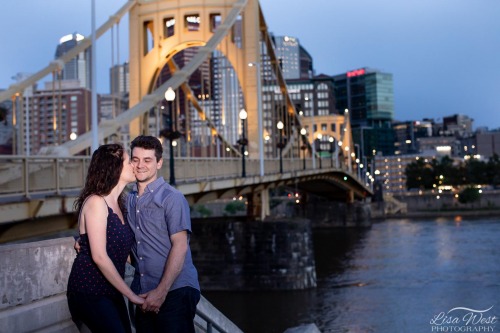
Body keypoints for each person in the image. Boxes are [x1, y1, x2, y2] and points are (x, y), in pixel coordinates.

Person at [67, 144, 144, 333]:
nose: (134, 165)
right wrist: (132, 296)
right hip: (89, 290)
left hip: (110, 291)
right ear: (114, 167)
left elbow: (119, 248)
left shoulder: (120, 204)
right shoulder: (96, 202)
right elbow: (99, 256)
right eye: (129, 161)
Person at [128, 135, 200, 333]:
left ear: (159, 163)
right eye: (135, 159)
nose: (140, 165)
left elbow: (180, 245)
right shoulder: (128, 200)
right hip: (142, 293)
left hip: (175, 291)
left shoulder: (172, 198)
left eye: (147, 160)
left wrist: (161, 291)